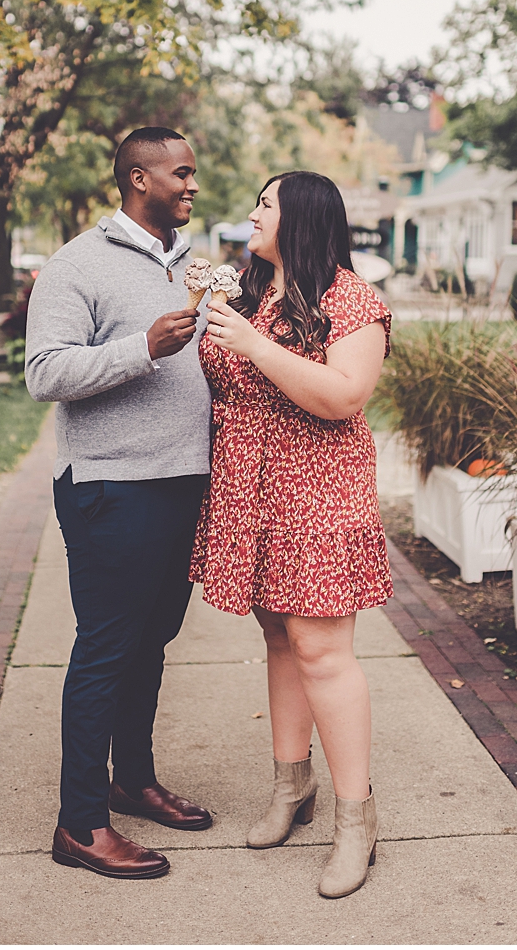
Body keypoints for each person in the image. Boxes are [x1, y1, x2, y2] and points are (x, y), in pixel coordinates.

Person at [190, 170, 393, 899]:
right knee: (278, 638)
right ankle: (290, 786)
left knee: (323, 651)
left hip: (317, 491)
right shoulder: (251, 290)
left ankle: (356, 819)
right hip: (251, 487)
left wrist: (253, 345)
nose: (251, 212)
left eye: (265, 204)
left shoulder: (351, 298)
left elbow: (343, 396)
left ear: (302, 217)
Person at [25, 126, 213, 879]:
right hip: (111, 486)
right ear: (139, 179)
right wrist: (142, 347)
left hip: (182, 484)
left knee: (152, 639)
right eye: (181, 173)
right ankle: (80, 823)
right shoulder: (77, 264)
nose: (193, 185)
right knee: (104, 649)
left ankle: (132, 778)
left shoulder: (190, 266)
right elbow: (45, 371)